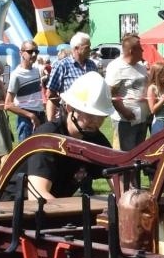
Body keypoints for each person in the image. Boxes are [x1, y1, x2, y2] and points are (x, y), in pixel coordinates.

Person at [23, 71, 115, 200]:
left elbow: (118, 182)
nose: (96, 121)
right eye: (90, 114)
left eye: (101, 117)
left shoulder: (94, 138)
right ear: (70, 108)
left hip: (53, 211)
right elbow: (37, 196)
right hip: (11, 212)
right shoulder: (47, 139)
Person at [105, 33, 151, 150]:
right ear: (131, 51)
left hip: (142, 118)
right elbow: (111, 94)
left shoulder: (141, 66)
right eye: (140, 48)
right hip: (125, 120)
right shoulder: (116, 67)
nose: (142, 50)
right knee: (125, 155)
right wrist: (125, 112)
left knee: (139, 153)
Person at [44, 32, 98, 121]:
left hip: (90, 116)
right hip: (69, 118)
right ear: (76, 48)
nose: (90, 49)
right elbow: (50, 93)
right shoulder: (62, 65)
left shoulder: (92, 65)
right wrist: (65, 106)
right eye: (87, 47)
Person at [6, 41, 46, 141]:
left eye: (36, 51)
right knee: (26, 154)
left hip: (41, 116)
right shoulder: (16, 75)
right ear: (21, 53)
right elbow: (8, 105)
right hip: (26, 120)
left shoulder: (37, 71)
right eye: (30, 51)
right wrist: (30, 115)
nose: (34, 54)